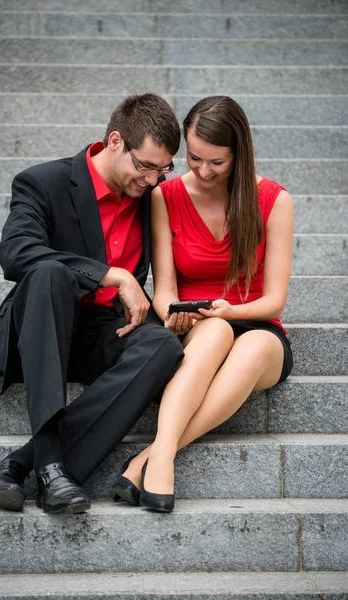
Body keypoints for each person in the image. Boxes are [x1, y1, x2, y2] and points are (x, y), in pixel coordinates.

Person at [0, 93, 184, 515]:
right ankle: (51, 464)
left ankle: (19, 464)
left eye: (164, 169)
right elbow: (14, 252)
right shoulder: (43, 182)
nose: (153, 180)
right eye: (145, 166)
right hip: (39, 325)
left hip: (100, 331)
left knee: (163, 346)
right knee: (51, 273)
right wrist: (109, 273)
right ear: (116, 141)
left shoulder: (151, 198)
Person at [111, 96, 294, 512]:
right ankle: (156, 462)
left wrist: (231, 311)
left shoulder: (274, 200)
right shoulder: (166, 195)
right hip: (197, 320)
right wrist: (173, 316)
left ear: (239, 155)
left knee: (253, 344)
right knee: (215, 331)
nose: (204, 170)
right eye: (194, 158)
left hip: (256, 322)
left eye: (218, 162)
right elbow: (165, 288)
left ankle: (154, 455)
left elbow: (274, 300)